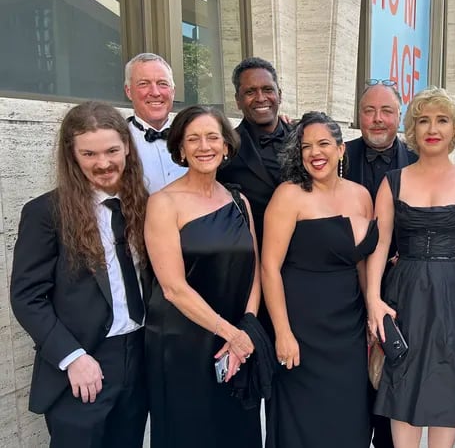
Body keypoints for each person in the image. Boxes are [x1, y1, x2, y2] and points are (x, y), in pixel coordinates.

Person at [11, 102, 150, 448]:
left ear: (127, 147)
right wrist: (72, 357)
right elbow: (27, 296)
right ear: (72, 155)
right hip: (82, 364)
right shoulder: (46, 213)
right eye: (89, 153)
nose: (103, 163)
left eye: (111, 151)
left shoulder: (145, 204)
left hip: (139, 355)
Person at [367, 87, 455, 448]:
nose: (432, 128)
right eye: (423, 120)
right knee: (401, 389)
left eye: (442, 120)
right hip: (405, 297)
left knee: (448, 393)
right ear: (413, 129)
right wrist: (373, 300)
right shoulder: (393, 181)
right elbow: (379, 244)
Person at [143, 106, 262, 447]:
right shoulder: (164, 203)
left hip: (236, 342)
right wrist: (231, 333)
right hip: (183, 343)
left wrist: (248, 326)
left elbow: (254, 268)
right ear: (180, 149)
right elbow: (173, 288)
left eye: (212, 137)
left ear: (226, 146)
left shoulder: (239, 200)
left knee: (237, 430)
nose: (204, 146)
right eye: (193, 139)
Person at [261, 111, 377, 448]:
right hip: (302, 328)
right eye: (306, 146)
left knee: (350, 418)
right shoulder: (289, 195)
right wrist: (282, 332)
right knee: (303, 423)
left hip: (349, 328)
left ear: (341, 150)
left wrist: (371, 311)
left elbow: (362, 264)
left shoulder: (361, 195)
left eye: (324, 143)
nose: (315, 152)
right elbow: (269, 267)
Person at [345, 79, 418, 448]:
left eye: (386, 111)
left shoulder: (420, 164)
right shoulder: (335, 156)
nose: (377, 119)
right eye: (369, 111)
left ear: (399, 116)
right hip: (341, 290)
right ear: (358, 116)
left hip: (401, 291)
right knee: (352, 393)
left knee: (393, 385)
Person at [217, 56, 292, 246]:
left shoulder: (305, 138)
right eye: (250, 91)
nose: (260, 98)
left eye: (268, 89)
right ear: (238, 100)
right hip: (255, 254)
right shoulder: (225, 147)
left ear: (279, 95)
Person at [123, 53, 186, 193]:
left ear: (173, 91)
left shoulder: (192, 136)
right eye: (144, 84)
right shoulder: (119, 141)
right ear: (128, 91)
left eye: (162, 84)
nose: (155, 92)